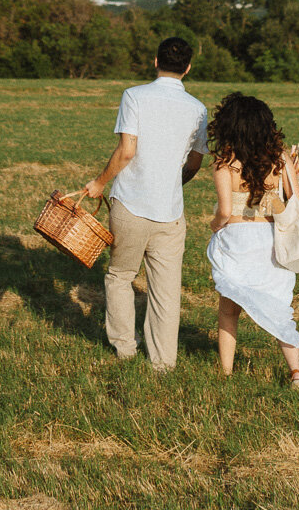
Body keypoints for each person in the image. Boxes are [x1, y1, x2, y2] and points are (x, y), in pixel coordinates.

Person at [85, 36, 208, 371]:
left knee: (120, 276)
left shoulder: (134, 96)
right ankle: (163, 362)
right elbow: (195, 163)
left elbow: (127, 151)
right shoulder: (198, 109)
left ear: (155, 62)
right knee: (166, 292)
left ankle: (125, 349)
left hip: (130, 204)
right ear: (188, 68)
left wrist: (99, 182)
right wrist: (171, 184)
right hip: (171, 211)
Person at [206, 91, 299, 390]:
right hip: (270, 238)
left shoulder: (225, 162)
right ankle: (296, 373)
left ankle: (226, 372)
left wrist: (214, 226)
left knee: (229, 308)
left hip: (237, 240)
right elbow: (298, 203)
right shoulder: (280, 158)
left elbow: (226, 211)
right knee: (280, 307)